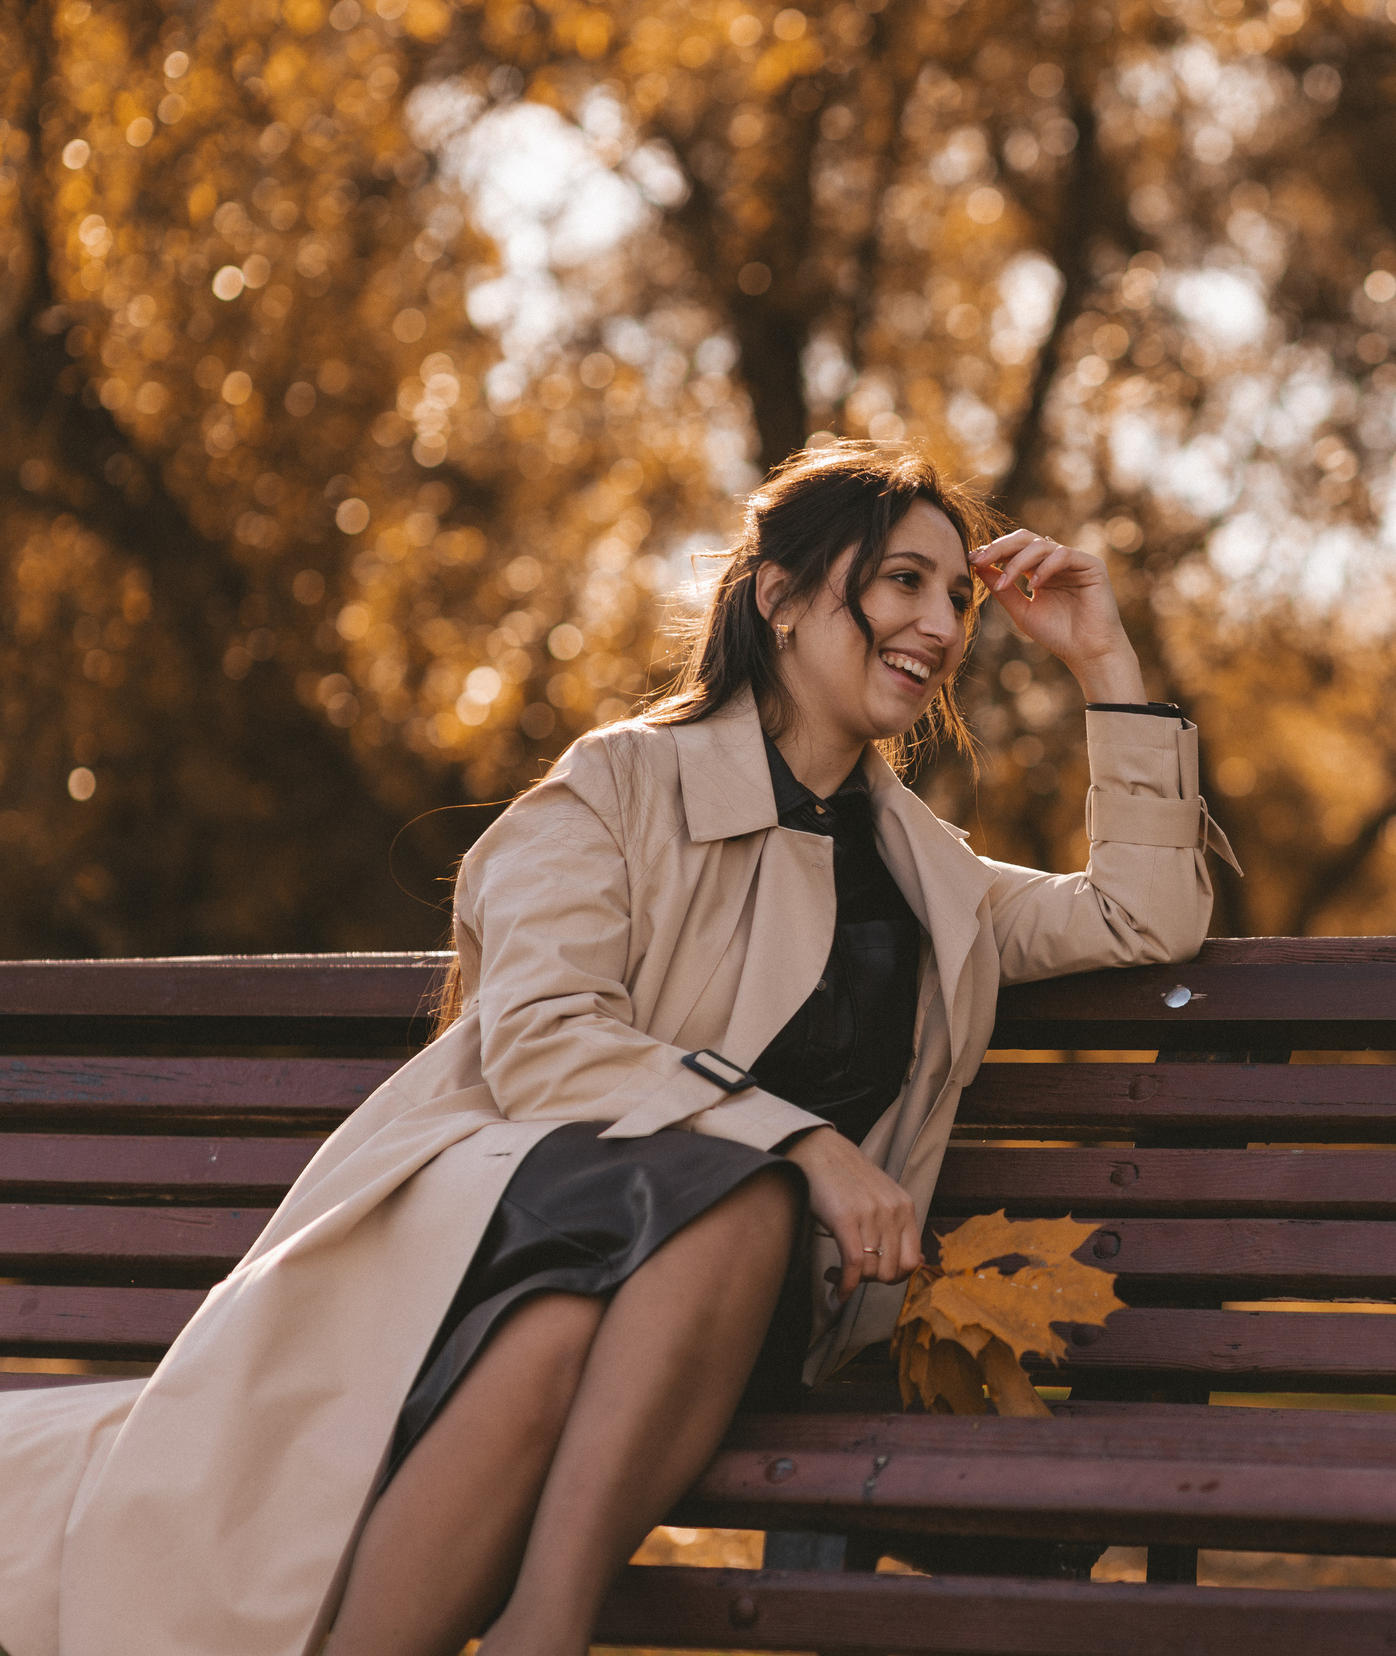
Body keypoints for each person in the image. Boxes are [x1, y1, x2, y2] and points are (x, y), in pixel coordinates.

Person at [0, 442, 1234, 1656]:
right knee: (692, 1231)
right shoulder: (616, 789)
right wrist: (804, 1146)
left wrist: (1103, 662)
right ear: (781, 597)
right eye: (903, 580)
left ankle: (539, 1632)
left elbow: (1147, 917)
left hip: (726, 1318)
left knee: (628, 1292)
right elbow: (543, 1035)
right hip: (503, 1250)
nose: (942, 623)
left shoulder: (928, 873)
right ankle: (544, 1633)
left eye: (958, 595)